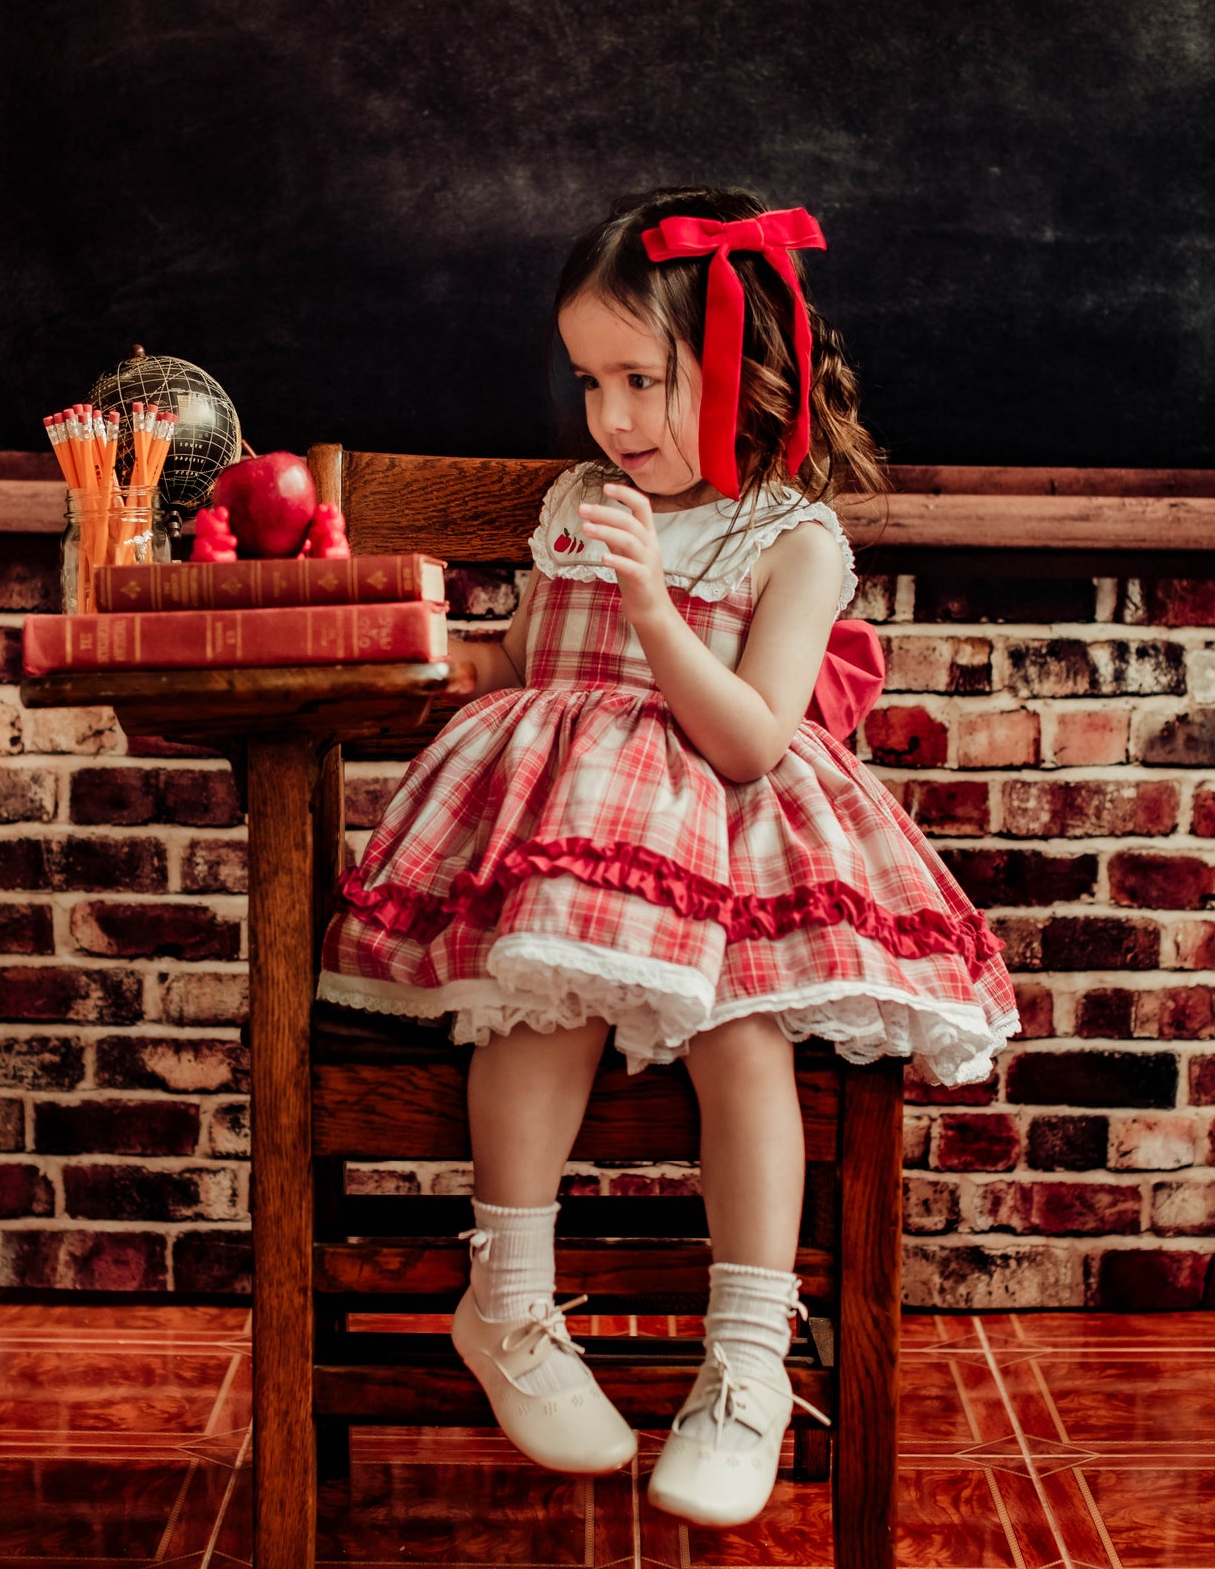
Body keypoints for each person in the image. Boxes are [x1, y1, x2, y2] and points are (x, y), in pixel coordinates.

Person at [318, 184, 1019, 1529]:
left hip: (727, 849)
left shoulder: (790, 537)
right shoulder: (580, 498)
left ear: (744, 368)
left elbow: (751, 736)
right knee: (547, 993)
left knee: (741, 1033)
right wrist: (406, 641)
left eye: (643, 378)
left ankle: (745, 1361)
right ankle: (506, 1303)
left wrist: (648, 599)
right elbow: (527, 662)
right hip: (572, 846)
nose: (612, 419)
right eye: (590, 381)